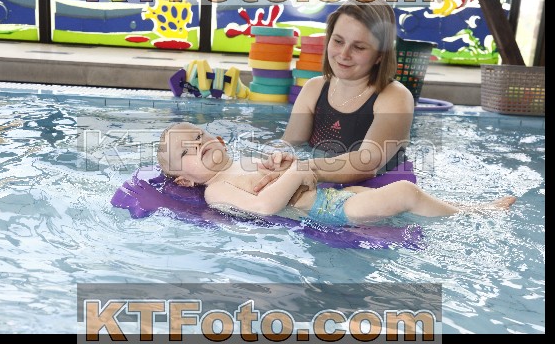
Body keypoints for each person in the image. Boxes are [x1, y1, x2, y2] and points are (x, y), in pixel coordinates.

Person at [157, 122, 516, 225]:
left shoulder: (245, 161)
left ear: (219, 140)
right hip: (326, 210)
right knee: (405, 193)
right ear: (184, 180)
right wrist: (297, 172)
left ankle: (465, 208)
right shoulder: (215, 191)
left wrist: (282, 164)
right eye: (185, 152)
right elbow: (263, 208)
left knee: (408, 200)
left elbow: (285, 177)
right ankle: (475, 213)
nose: (197, 145)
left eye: (199, 136)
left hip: (331, 196)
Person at [254, 0, 415, 193]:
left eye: (358, 47)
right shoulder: (314, 89)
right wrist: (277, 158)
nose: (344, 54)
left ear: (380, 55)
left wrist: (302, 168)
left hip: (380, 190)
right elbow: (290, 144)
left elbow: (367, 163)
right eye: (338, 41)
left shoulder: (395, 97)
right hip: (325, 181)